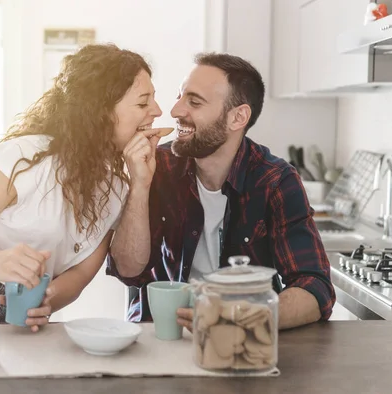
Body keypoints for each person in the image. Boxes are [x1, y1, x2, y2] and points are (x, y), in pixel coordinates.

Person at [0, 43, 163, 332]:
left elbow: (82, 274)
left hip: (22, 319)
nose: (158, 111)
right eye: (142, 103)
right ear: (100, 111)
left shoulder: (115, 188)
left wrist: (47, 302)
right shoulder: (24, 157)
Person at [107, 52, 336, 330]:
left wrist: (243, 317)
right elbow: (128, 271)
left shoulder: (275, 181)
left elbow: (315, 288)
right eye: (180, 96)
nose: (176, 110)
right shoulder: (158, 167)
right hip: (160, 334)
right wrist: (140, 185)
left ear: (238, 117)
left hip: (241, 342)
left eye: (194, 102)